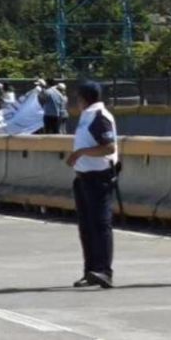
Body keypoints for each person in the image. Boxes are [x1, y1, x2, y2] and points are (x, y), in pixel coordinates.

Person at [67, 81, 118, 290]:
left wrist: (80, 153)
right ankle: (90, 270)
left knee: (100, 224)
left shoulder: (99, 117)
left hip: (99, 177)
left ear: (83, 98)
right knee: (86, 227)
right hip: (84, 177)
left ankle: (104, 271)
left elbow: (108, 147)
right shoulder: (86, 116)